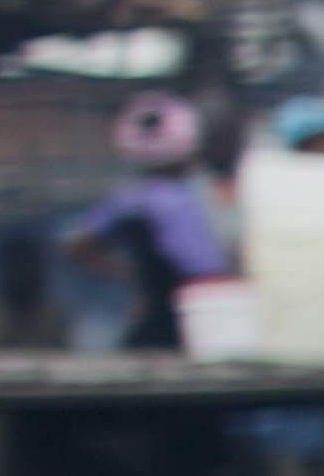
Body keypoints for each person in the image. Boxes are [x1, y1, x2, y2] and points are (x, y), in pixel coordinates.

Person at [66, 94, 237, 354]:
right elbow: (206, 267)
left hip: (156, 321)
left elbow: (77, 245)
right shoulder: (199, 196)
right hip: (198, 321)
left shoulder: (129, 200)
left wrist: (125, 274)